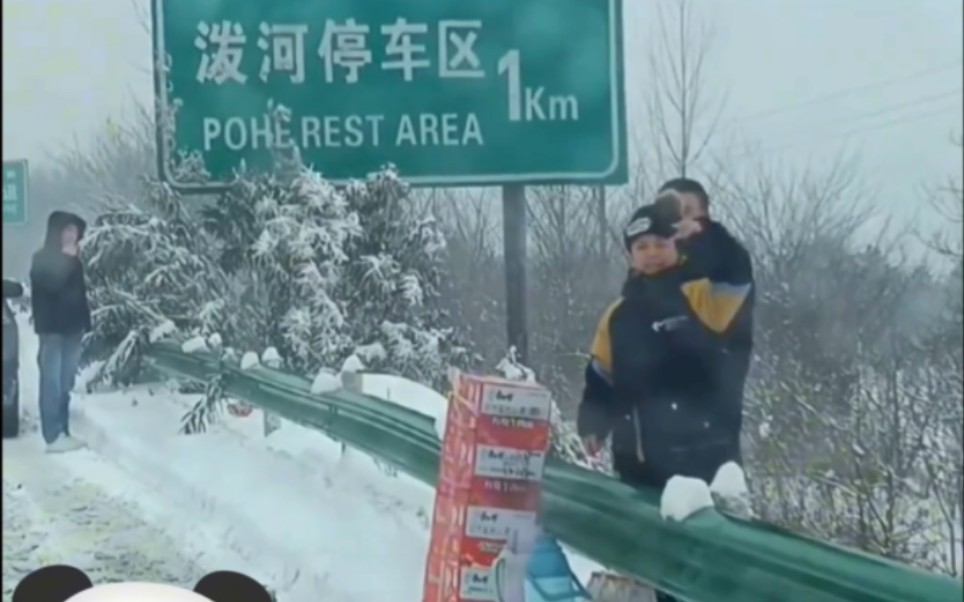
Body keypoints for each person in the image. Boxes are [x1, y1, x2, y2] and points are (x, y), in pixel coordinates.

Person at [576, 202, 753, 491]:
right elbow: (600, 376)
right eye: (642, 246)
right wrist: (593, 424)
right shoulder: (618, 314)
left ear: (677, 246)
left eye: (661, 243)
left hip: (705, 464)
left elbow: (737, 273)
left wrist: (705, 233)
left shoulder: (702, 295)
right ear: (631, 255)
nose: (652, 253)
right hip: (637, 465)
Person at [655, 178, 754, 460]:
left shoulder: (726, 259)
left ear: (704, 216)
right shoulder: (656, 268)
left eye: (685, 210)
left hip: (710, 432)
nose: (676, 220)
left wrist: (700, 234)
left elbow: (727, 265)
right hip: (651, 436)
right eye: (669, 211)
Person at [29, 210, 91, 453]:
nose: (71, 236)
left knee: (66, 381)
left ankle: (63, 430)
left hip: (73, 330)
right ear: (56, 233)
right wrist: (67, 260)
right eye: (67, 230)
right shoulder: (42, 258)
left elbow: (78, 295)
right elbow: (52, 286)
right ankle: (52, 435)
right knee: (51, 382)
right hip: (52, 330)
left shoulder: (74, 260)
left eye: (75, 232)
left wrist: (86, 323)